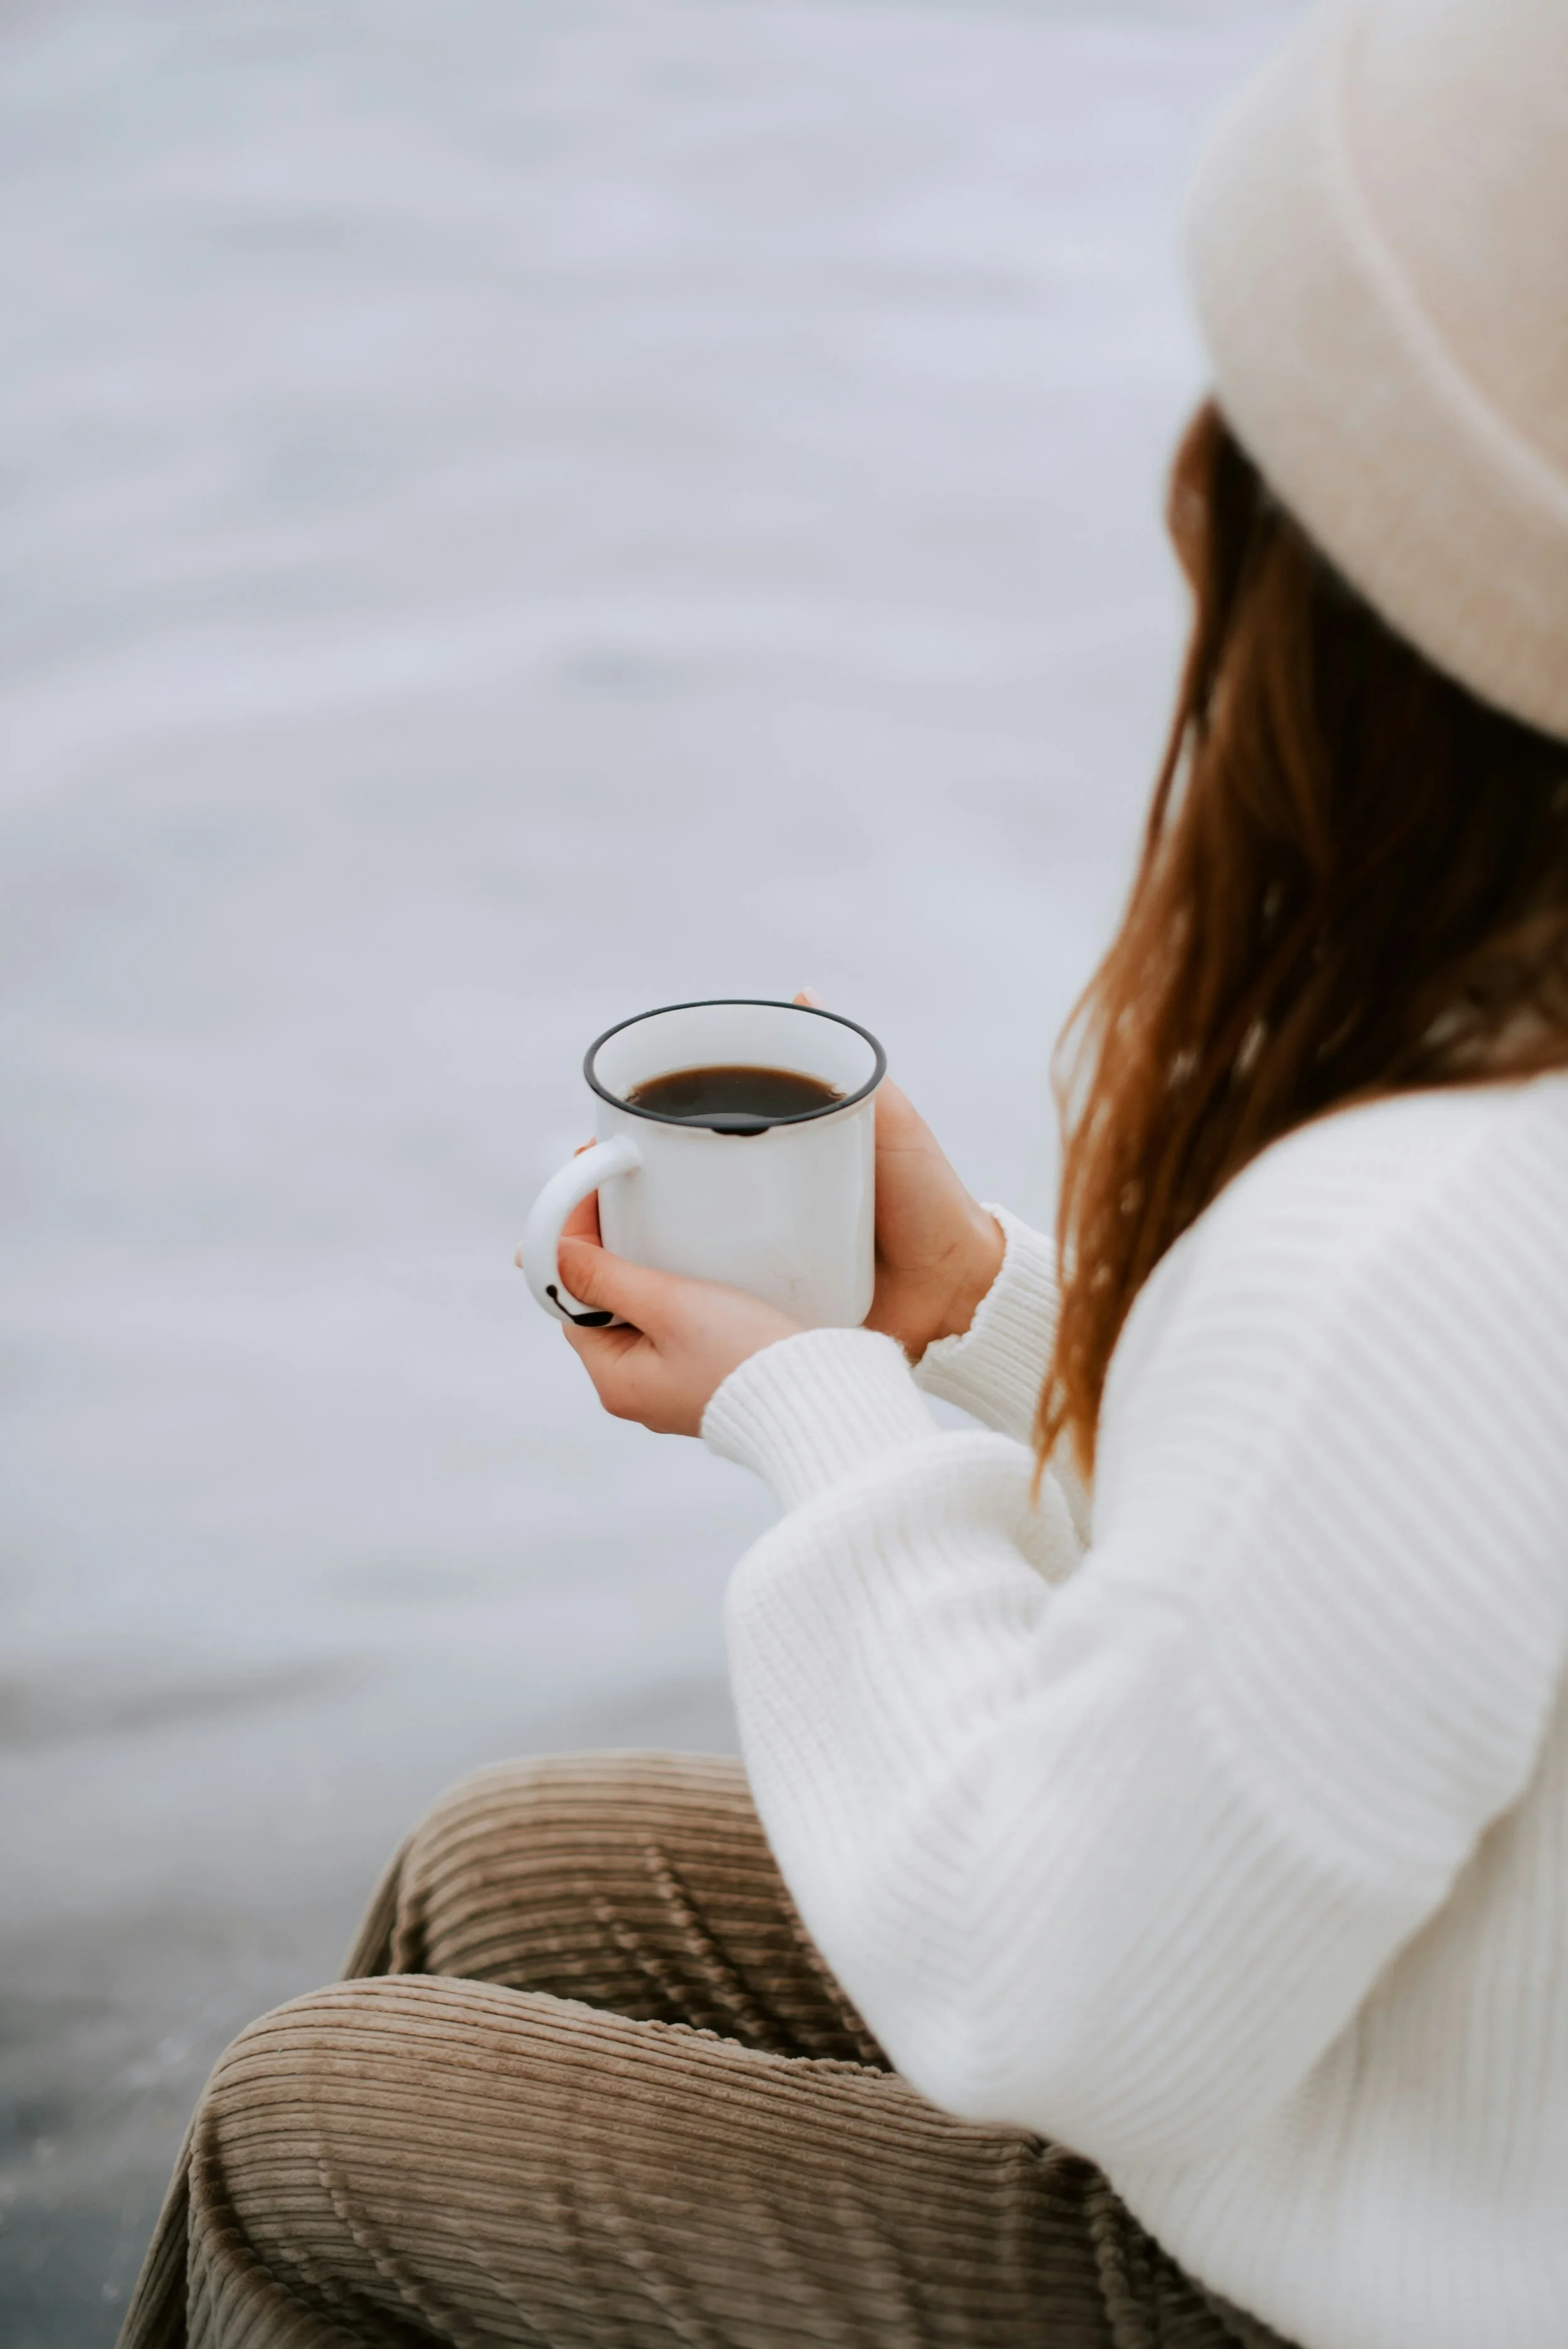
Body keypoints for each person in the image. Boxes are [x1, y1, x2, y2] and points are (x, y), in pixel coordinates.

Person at [120, 0, 1568, 2343]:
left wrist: (813, 1421)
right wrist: (986, 1311)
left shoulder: (1425, 1230)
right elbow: (1365, 1622)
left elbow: (1057, 1990)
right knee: (506, 1865)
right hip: (1453, 2127)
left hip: (1380, 2278)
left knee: (313, 2127)